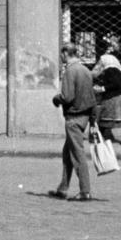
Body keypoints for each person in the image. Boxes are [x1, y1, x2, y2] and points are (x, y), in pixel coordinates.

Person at [49, 41, 98, 200]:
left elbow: (67, 96)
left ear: (65, 53)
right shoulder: (85, 70)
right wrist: (92, 119)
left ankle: (85, 191)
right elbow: (92, 97)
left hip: (73, 117)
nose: (61, 57)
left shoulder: (70, 71)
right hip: (84, 117)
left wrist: (56, 99)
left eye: (61, 54)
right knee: (67, 153)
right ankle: (63, 188)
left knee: (77, 155)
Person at [92, 37, 121, 145]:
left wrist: (101, 88)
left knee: (104, 118)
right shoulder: (116, 66)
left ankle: (100, 139)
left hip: (111, 96)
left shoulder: (109, 67)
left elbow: (113, 84)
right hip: (120, 95)